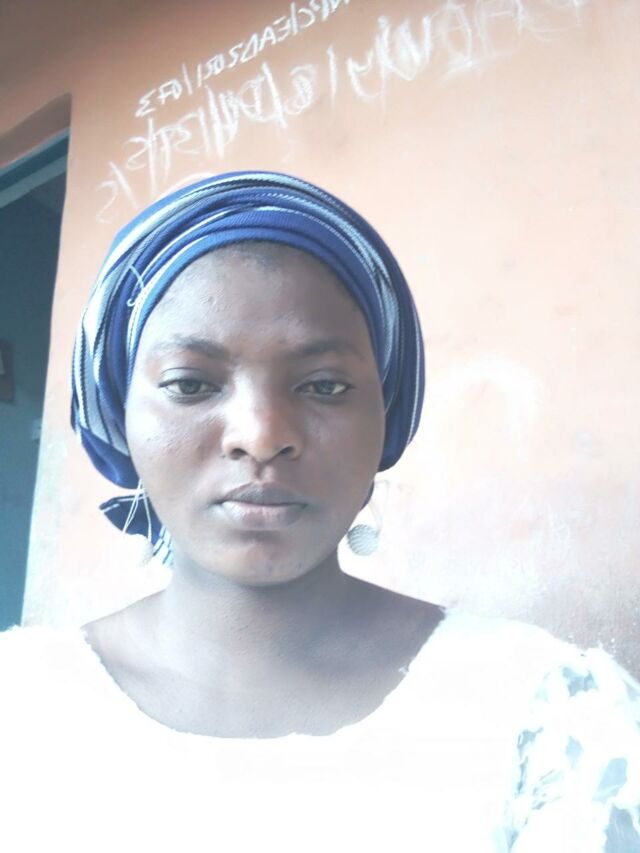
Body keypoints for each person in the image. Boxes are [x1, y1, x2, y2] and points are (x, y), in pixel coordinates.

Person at [0, 171, 638, 852]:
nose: (261, 433)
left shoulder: (554, 717)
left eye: (325, 385)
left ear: (385, 417)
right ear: (119, 417)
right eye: (190, 383)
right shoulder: (19, 702)